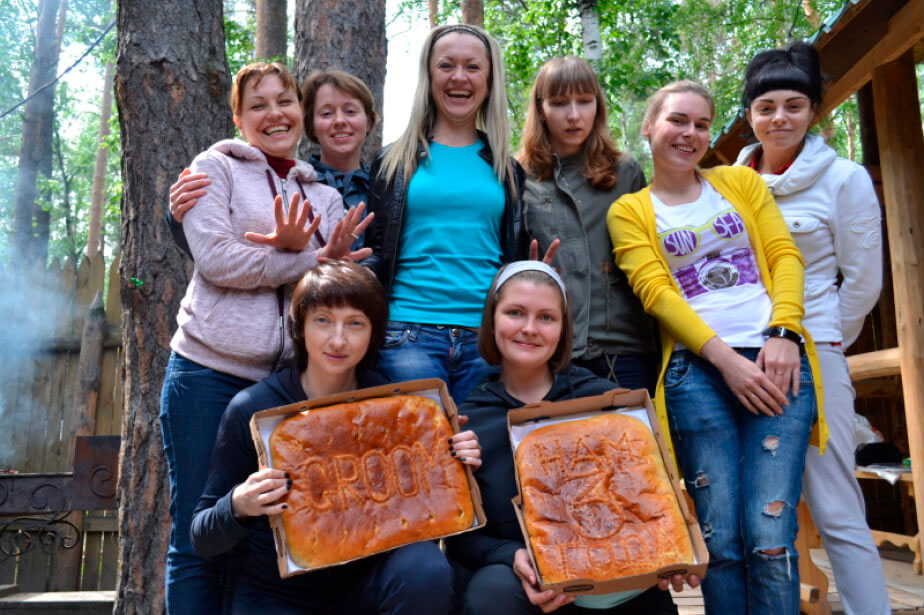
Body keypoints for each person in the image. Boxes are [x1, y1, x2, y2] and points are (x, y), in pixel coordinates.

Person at [607, 81, 826, 615]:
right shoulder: (630, 211)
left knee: (770, 537)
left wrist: (784, 333)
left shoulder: (739, 182)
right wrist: (727, 362)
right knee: (721, 542)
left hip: (777, 362)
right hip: (698, 374)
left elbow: (784, 255)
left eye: (701, 124)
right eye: (677, 120)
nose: (690, 133)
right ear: (649, 126)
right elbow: (656, 293)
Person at [160, 62, 370, 614]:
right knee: (197, 535)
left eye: (284, 101)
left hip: (284, 387)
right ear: (239, 119)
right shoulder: (213, 169)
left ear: (300, 112)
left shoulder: (322, 195)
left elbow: (325, 289)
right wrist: (308, 260)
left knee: (259, 531)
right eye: (258, 104)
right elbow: (217, 260)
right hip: (208, 375)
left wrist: (328, 267)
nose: (274, 113)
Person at [190, 261, 480, 614]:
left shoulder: (394, 407)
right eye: (323, 320)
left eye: (355, 323)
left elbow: (427, 504)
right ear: (300, 327)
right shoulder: (255, 408)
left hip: (365, 587)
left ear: (374, 333)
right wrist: (239, 504)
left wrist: (453, 459)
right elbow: (202, 537)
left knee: (425, 566)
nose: (338, 340)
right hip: (277, 593)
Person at [735, 42, 888, 615]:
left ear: (814, 111)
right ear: (749, 114)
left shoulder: (844, 179)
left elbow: (864, 281)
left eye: (793, 106)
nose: (779, 118)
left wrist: (819, 340)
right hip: (739, 359)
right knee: (754, 508)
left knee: (835, 505)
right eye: (766, 107)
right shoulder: (728, 183)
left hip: (813, 355)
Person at [448, 261, 695, 615]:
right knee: (489, 591)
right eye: (515, 312)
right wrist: (511, 555)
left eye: (546, 317)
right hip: (532, 592)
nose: (529, 328)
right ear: (492, 320)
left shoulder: (610, 405)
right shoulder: (469, 422)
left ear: (564, 329)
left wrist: (676, 552)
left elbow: (654, 503)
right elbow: (462, 542)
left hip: (623, 589)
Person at [364, 23, 526, 404]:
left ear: (489, 80)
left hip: (488, 338)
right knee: (422, 442)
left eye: (473, 67)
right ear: (429, 75)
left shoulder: (508, 169)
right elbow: (376, 251)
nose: (459, 77)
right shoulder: (392, 162)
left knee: (480, 443)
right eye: (446, 65)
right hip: (406, 334)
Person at [517, 56, 659, 391]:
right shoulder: (517, 176)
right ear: (540, 109)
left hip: (625, 350)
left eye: (584, 101)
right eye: (559, 103)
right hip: (550, 351)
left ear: (598, 105)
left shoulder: (625, 171)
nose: (573, 115)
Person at [168, 68, 378, 252]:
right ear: (311, 124)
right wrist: (179, 219)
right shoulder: (289, 182)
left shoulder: (385, 189)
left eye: (351, 111)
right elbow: (214, 253)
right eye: (326, 113)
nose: (340, 121)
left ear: (369, 121)